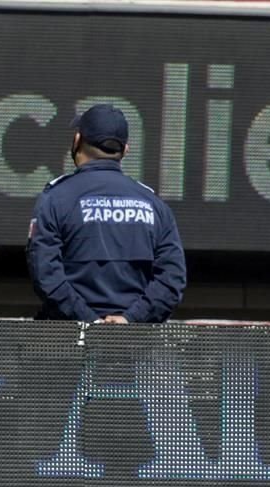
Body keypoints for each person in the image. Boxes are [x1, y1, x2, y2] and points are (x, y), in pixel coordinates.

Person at [27, 103, 186, 323]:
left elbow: (45, 275)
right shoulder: (154, 204)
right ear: (125, 150)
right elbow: (172, 280)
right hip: (135, 348)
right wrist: (130, 319)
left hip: (67, 345)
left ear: (77, 140)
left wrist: (89, 321)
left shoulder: (55, 198)